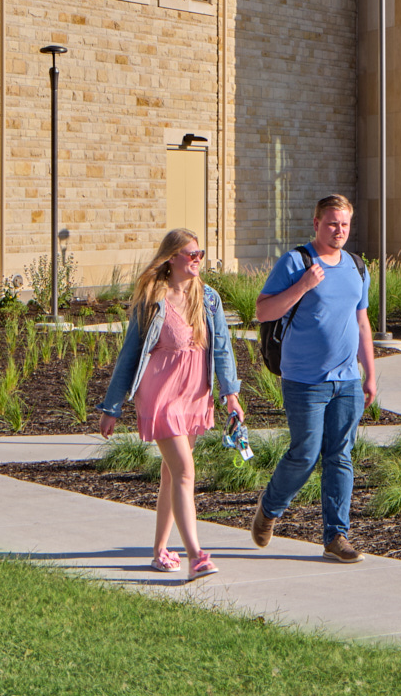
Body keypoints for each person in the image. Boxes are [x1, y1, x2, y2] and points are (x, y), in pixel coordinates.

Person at [97, 227, 242, 577]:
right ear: (171, 258)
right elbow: (130, 352)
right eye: (190, 254)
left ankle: (160, 550)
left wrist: (231, 395)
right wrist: (112, 406)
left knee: (171, 474)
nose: (197, 260)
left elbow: (221, 348)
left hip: (195, 394)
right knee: (185, 472)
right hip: (160, 394)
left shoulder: (208, 298)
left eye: (199, 255)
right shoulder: (152, 299)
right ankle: (196, 555)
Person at [249, 190, 377, 560]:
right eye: (332, 223)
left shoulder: (356, 266)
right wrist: (304, 284)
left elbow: (362, 322)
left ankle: (337, 536)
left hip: (347, 381)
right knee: (304, 453)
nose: (339, 230)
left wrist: (369, 373)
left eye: (345, 224)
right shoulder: (296, 261)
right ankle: (270, 508)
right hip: (305, 380)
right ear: (317, 223)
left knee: (340, 456)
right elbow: (262, 311)